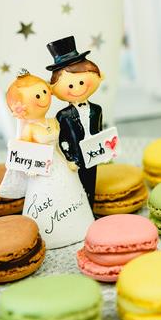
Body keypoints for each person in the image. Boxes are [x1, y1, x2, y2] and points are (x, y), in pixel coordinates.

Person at [0, 69, 94, 249]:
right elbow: (25, 151)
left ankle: (80, 226)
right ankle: (52, 235)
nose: (43, 97)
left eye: (43, 92)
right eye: (36, 96)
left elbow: (59, 145)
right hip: (42, 173)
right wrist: (31, 168)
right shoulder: (30, 130)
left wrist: (68, 161)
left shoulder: (53, 121)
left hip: (60, 164)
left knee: (72, 192)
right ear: (21, 108)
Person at [46, 36, 104, 208]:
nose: (77, 88)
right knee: (77, 187)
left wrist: (105, 151)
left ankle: (91, 208)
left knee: (91, 184)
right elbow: (62, 139)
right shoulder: (63, 115)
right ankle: (82, 211)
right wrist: (70, 158)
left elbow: (100, 132)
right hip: (76, 161)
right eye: (70, 86)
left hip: (94, 156)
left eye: (81, 82)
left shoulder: (96, 110)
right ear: (54, 90)